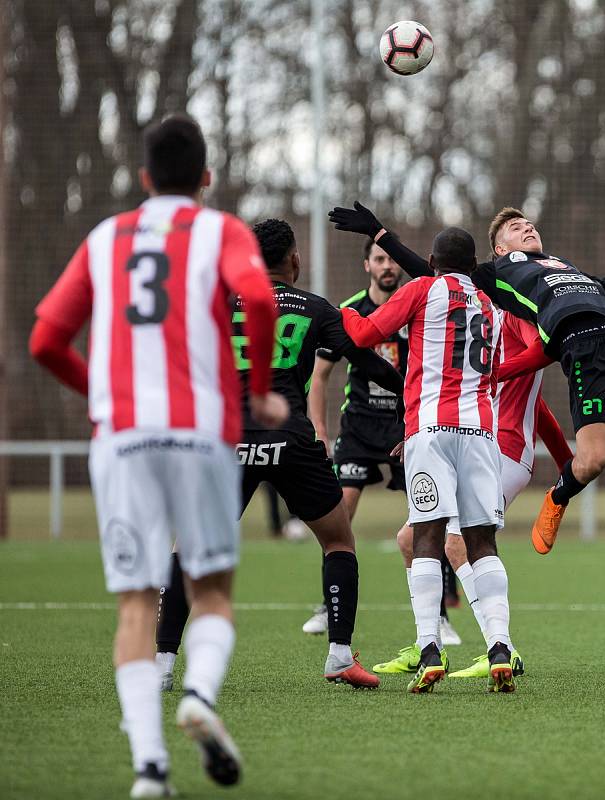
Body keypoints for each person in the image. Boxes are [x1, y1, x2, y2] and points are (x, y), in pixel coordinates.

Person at [29, 114, 287, 798]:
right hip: (200, 435)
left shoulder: (105, 237)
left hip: (121, 438)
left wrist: (102, 396)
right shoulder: (220, 230)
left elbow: (45, 341)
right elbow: (259, 296)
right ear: (205, 178)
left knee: (136, 606)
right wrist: (258, 392)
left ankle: (149, 769)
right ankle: (199, 693)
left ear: (143, 178)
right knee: (212, 593)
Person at [329, 202, 605, 555]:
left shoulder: (562, 266)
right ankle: (555, 502)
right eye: (516, 227)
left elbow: (599, 288)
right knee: (588, 464)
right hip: (584, 358)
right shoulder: (499, 275)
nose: (527, 227)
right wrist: (380, 234)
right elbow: (435, 272)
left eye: (529, 223)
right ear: (499, 249)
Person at [155, 218, 406, 692]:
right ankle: (337, 655)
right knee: (338, 542)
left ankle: (163, 665)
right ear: (294, 259)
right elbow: (367, 359)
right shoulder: (316, 307)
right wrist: (410, 395)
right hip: (290, 439)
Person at [341, 226, 517, 693]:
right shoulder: (491, 305)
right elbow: (496, 369)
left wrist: (336, 312)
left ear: (433, 261)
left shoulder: (422, 288)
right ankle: (500, 646)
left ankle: (429, 648)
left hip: (432, 430)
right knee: (482, 543)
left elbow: (365, 332)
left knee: (427, 537)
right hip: (480, 432)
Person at [305, 237, 461, 647]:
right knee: (340, 515)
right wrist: (320, 430)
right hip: (358, 427)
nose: (388, 265)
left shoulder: (419, 302)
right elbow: (319, 377)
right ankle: (327, 605)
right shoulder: (352, 308)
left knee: (428, 515)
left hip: (405, 424)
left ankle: (442, 615)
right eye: (379, 259)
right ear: (367, 265)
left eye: (392, 259)